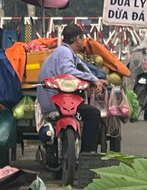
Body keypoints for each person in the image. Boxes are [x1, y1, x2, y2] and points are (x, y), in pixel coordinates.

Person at [37, 23, 105, 152]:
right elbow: (69, 70)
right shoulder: (64, 51)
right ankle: (87, 153)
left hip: (55, 102)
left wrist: (95, 79)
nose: (83, 41)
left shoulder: (65, 52)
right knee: (93, 114)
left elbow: (82, 67)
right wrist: (93, 80)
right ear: (77, 39)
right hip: (57, 103)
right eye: (82, 38)